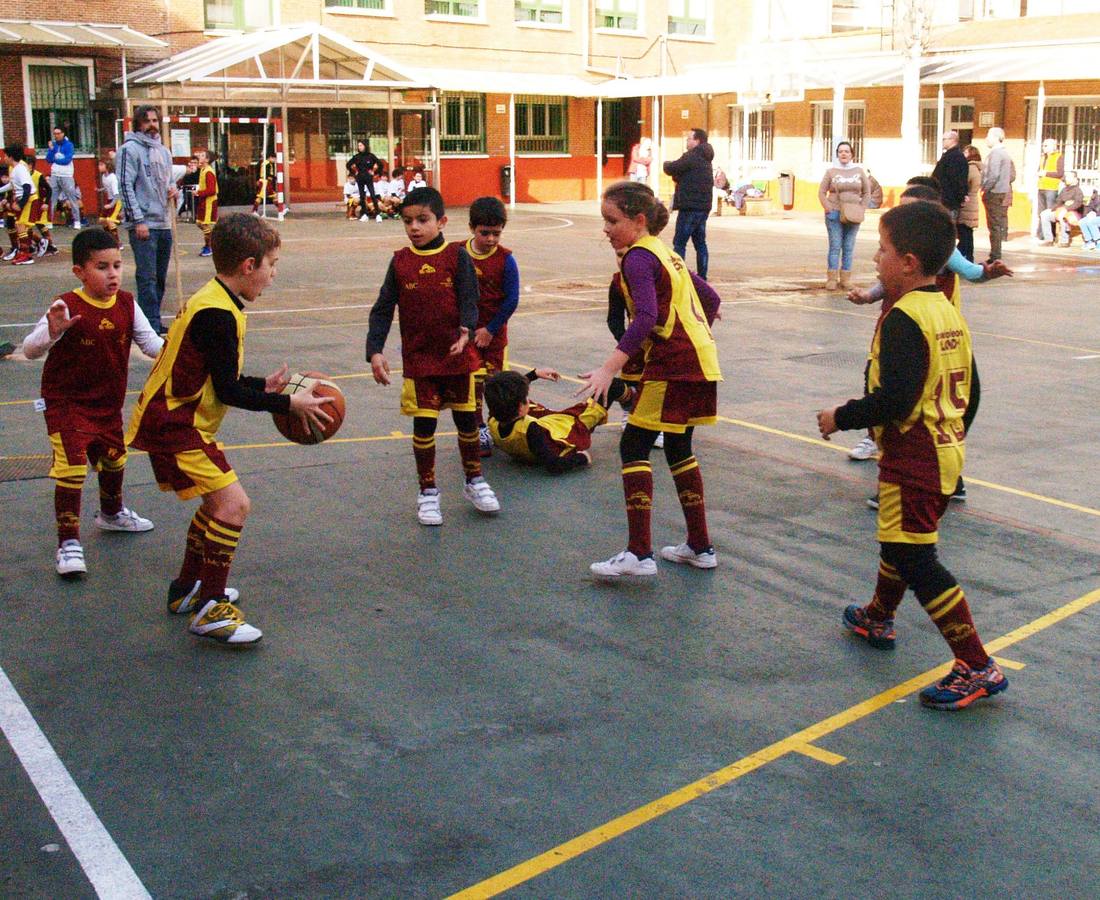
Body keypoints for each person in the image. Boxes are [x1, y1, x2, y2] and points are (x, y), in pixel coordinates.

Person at [816, 200, 1008, 711]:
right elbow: (975, 390)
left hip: (915, 453)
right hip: (941, 449)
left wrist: (842, 415)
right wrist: (951, 433)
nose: (876, 259)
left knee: (916, 556)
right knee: (900, 540)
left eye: (882, 250)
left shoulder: (904, 318)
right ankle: (878, 614)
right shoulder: (944, 310)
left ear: (908, 262)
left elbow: (896, 398)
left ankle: (975, 664)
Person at [126, 214, 333, 645]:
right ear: (248, 266)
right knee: (234, 506)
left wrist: (263, 384)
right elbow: (229, 391)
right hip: (176, 423)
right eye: (272, 265)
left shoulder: (214, 300)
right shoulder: (218, 313)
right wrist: (287, 403)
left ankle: (187, 590)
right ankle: (212, 607)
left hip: (174, 418)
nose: (274, 276)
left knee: (215, 506)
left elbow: (219, 377)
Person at [579, 181, 722, 577]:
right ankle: (699, 545)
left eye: (612, 221)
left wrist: (610, 367)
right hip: (702, 361)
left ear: (638, 220)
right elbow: (710, 300)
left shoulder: (637, 258)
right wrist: (695, 330)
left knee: (634, 445)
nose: (606, 229)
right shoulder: (666, 252)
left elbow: (644, 316)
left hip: (674, 365)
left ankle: (639, 553)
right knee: (678, 448)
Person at [847, 181, 1012, 492]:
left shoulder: (937, 257)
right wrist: (867, 296)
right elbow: (883, 281)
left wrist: (840, 417)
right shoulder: (902, 274)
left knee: (917, 396)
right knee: (882, 382)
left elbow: (971, 271)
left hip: (931, 334)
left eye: (909, 210)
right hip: (910, 327)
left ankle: (926, 464)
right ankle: (879, 442)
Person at [22, 228, 164, 578]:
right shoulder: (65, 306)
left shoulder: (128, 304)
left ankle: (112, 513)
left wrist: (181, 352)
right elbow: (29, 349)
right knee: (71, 467)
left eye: (117, 265)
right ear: (79, 272)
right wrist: (52, 332)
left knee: (115, 460)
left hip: (106, 405)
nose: (113, 274)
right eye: (102, 267)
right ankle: (68, 542)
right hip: (65, 403)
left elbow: (151, 345)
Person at [366, 186, 501, 526]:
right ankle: (428, 492)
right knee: (424, 424)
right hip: (420, 360)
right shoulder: (400, 262)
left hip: (457, 357)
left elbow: (470, 300)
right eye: (408, 221)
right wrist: (375, 351)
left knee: (467, 421)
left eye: (422, 220)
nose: (414, 227)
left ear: (441, 221)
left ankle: (474, 480)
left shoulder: (457, 258)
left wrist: (467, 330)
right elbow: (382, 309)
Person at [485, 368, 634, 472]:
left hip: (540, 429)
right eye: (526, 398)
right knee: (612, 385)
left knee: (515, 399)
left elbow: (508, 393)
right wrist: (581, 458)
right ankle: (634, 405)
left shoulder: (493, 419)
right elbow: (553, 465)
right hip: (571, 427)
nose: (528, 399)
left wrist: (534, 374)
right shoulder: (531, 430)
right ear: (520, 408)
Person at [465, 196, 521, 456]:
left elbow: (511, 300)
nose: (490, 239)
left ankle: (495, 425)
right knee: (471, 383)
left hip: (494, 335)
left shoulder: (506, 260)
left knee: (494, 384)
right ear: (472, 228)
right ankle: (476, 429)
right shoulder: (458, 254)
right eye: (484, 233)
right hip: (465, 334)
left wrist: (490, 329)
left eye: (496, 234)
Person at [117, 105, 177, 336]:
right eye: (147, 120)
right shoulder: (129, 150)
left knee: (160, 277)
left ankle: (154, 319)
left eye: (154, 120)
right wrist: (137, 220)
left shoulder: (163, 151)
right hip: (144, 224)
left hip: (163, 223)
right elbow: (125, 186)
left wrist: (173, 191)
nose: (152, 124)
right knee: (147, 277)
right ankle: (147, 325)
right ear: (138, 124)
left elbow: (169, 181)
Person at [818, 140, 870, 290]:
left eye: (846, 151)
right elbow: (821, 192)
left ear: (852, 154)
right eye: (841, 152)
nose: (844, 154)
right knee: (835, 246)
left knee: (848, 246)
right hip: (834, 213)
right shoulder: (831, 172)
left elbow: (867, 192)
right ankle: (832, 279)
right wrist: (828, 207)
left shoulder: (859, 171)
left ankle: (846, 279)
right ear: (837, 155)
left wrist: (862, 208)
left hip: (853, 214)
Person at [663, 128, 714, 279]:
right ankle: (702, 276)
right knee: (700, 243)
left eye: (689, 139)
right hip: (703, 207)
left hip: (689, 206)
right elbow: (684, 174)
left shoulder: (692, 156)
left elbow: (672, 168)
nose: (687, 141)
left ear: (697, 141)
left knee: (679, 242)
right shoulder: (706, 157)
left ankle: (679, 275)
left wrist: (666, 163)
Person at [980, 127, 1014, 263]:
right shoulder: (1005, 154)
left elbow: (993, 175)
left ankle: (995, 255)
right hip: (1001, 192)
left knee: (993, 225)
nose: (986, 139)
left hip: (994, 193)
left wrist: (984, 188)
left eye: (988, 136)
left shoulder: (996, 154)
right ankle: (996, 253)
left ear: (995, 137)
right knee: (997, 224)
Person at [5, 144, 38, 266]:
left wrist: (21, 203)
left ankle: (26, 255)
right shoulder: (16, 169)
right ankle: (26, 251)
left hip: (28, 199)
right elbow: (12, 185)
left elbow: (27, 187)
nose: (4, 158)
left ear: (11, 157)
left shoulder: (20, 169)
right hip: (26, 199)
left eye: (5, 156)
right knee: (23, 227)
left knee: (20, 225)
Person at [45, 125, 82, 229]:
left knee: (72, 198)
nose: (56, 136)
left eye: (58, 133)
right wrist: (51, 150)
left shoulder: (69, 145)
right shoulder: (54, 145)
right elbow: (48, 159)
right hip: (55, 174)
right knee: (52, 198)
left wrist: (55, 160)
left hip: (66, 175)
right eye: (54, 134)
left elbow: (67, 160)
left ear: (63, 134)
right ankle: (49, 221)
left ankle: (77, 221)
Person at [930, 130, 969, 226]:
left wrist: (961, 196)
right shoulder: (948, 155)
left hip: (949, 200)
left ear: (952, 140)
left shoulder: (955, 157)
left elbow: (958, 180)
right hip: (944, 198)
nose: (942, 141)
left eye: (944, 139)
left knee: (947, 228)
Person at [26, 149, 58, 257]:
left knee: (39, 224)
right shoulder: (23, 175)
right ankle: (38, 243)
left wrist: (46, 203)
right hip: (28, 202)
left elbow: (49, 189)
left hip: (39, 202)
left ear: (30, 165)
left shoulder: (37, 175)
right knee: (27, 226)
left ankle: (49, 245)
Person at [1038, 170, 1084, 246]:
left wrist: (1066, 208)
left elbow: (1078, 203)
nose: (1067, 178)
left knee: (1063, 216)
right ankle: (1049, 240)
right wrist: (1052, 209)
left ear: (1075, 179)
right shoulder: (1064, 190)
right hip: (1060, 211)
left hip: (1073, 213)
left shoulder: (1078, 191)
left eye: (1069, 177)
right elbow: (1058, 201)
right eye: (1067, 177)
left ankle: (1064, 241)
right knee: (1044, 214)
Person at [957, 146, 983, 262]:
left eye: (965, 152)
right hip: (972, 202)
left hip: (967, 203)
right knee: (967, 232)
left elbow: (963, 183)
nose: (963, 153)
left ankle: (959, 258)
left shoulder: (970, 168)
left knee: (964, 232)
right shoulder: (977, 167)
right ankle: (968, 257)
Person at [1035, 137, 1064, 239]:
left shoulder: (1058, 156)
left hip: (1051, 188)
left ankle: (1051, 235)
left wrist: (1046, 173)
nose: (1044, 147)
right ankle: (1041, 235)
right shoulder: (1043, 157)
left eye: (1046, 145)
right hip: (1041, 187)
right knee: (1041, 212)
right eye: (1043, 145)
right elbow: (1040, 170)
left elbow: (1060, 173)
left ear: (1052, 146)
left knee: (1049, 212)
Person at [348, 139, 382, 222]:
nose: (359, 147)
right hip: (360, 178)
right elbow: (348, 164)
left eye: (361, 145)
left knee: (373, 195)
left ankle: (378, 214)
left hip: (368, 178)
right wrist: (354, 172)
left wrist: (374, 172)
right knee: (362, 197)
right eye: (358, 146)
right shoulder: (356, 157)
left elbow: (380, 164)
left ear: (365, 146)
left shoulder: (371, 156)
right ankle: (365, 214)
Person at [194, 149, 219, 258]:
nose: (200, 156)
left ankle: (209, 247)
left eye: (202, 155)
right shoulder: (203, 170)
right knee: (200, 223)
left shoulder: (209, 171)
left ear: (207, 159)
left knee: (205, 224)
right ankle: (211, 244)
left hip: (209, 201)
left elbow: (212, 190)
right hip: (204, 200)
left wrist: (199, 192)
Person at [97, 159, 122, 246]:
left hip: (116, 201)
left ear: (107, 167)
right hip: (110, 200)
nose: (99, 167)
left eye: (101, 165)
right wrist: (100, 190)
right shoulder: (104, 176)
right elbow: (107, 187)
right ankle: (109, 239)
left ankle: (117, 242)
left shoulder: (113, 178)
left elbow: (117, 194)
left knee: (110, 221)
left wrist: (111, 205)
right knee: (102, 220)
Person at [252, 151, 276, 215]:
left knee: (274, 196)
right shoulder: (267, 164)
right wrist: (273, 177)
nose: (275, 160)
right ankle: (254, 211)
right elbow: (267, 174)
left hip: (267, 182)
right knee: (260, 196)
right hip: (265, 182)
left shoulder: (265, 163)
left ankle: (280, 210)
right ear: (270, 157)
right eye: (274, 159)